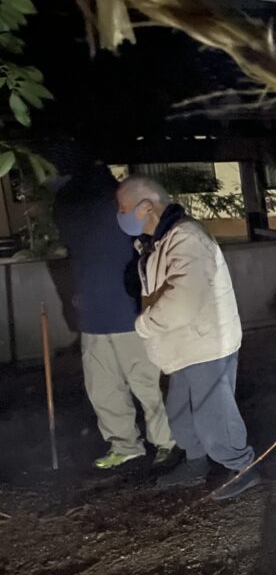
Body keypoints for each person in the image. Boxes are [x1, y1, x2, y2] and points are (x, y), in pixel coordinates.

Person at [115, 176, 260, 500]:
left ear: (146, 207)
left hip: (205, 344)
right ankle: (196, 462)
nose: (120, 215)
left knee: (214, 415)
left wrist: (143, 325)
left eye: (123, 208)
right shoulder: (159, 240)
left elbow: (181, 303)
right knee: (181, 413)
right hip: (184, 345)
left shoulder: (186, 237)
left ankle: (242, 467)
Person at [52, 158, 181, 473]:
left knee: (142, 384)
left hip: (127, 314)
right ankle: (127, 445)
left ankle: (164, 442)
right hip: (97, 315)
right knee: (109, 387)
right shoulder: (82, 200)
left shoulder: (112, 201)